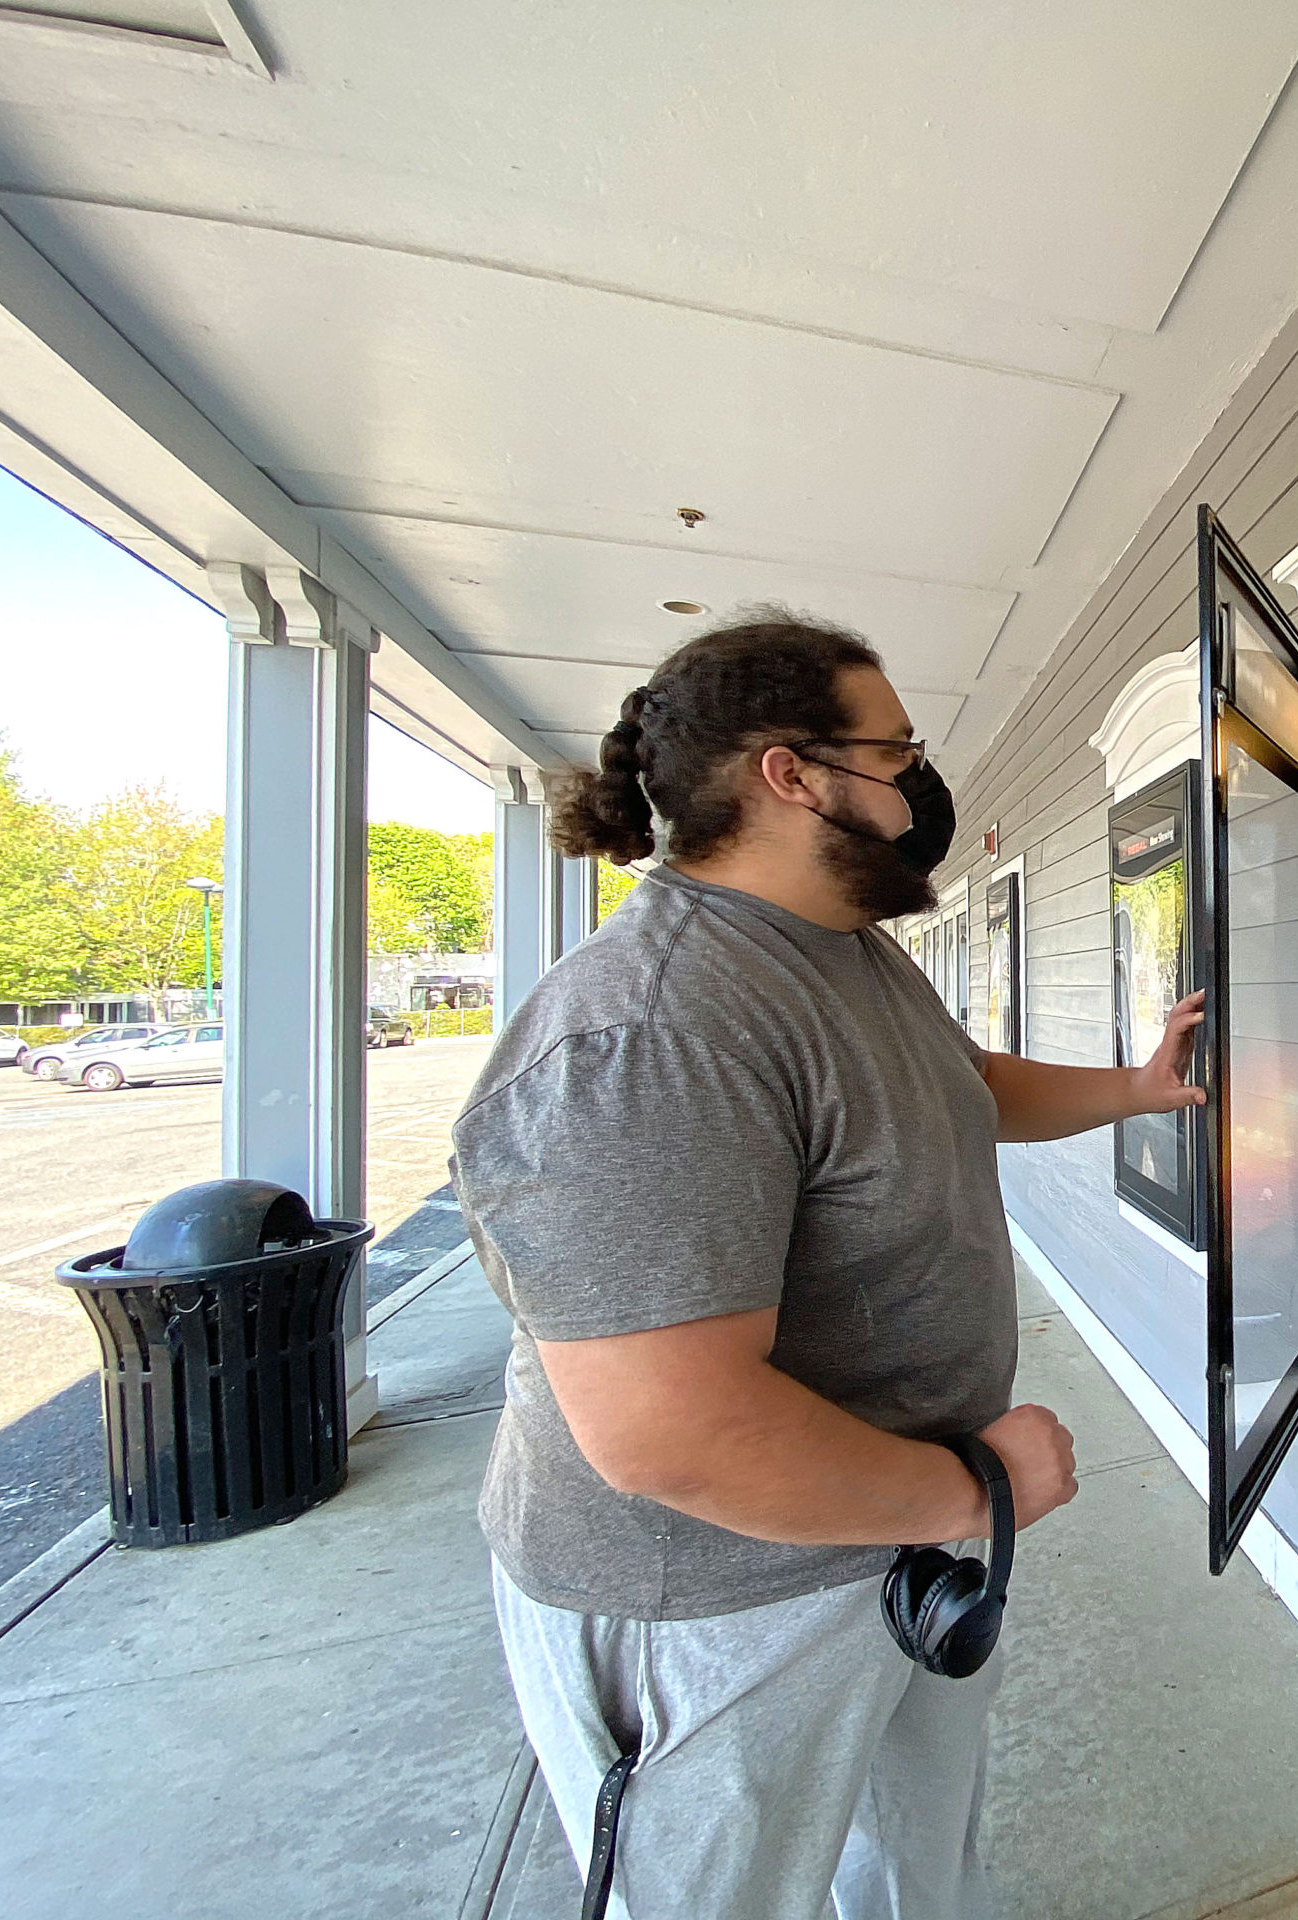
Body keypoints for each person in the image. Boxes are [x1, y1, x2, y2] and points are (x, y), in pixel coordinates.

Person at [450, 613, 1205, 1920]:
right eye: (893, 748)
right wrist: (972, 1486)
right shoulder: (650, 1034)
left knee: (917, 1881)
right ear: (789, 774)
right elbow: (670, 1432)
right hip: (717, 1609)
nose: (916, 777)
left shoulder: (840, 952)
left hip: (894, 1544)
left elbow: (959, 1086)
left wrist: (1138, 1090)